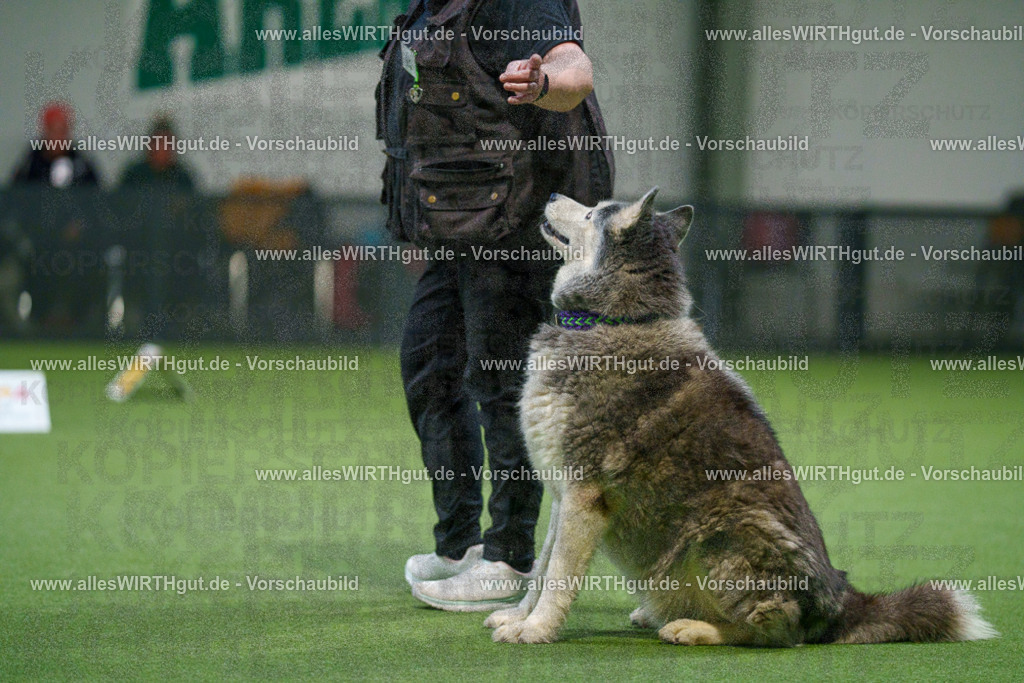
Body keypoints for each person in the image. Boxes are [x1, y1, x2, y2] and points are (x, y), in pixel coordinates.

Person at [376, 0, 614, 611]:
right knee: (428, 366)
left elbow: (573, 68)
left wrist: (541, 82)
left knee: (501, 383)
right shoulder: (425, 10)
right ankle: (459, 547)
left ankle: (510, 556)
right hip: (459, 227)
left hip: (517, 221)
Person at [10, 102, 99, 188]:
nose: (59, 137)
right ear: (45, 131)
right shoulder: (30, 164)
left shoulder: (80, 163)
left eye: (63, 130)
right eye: (54, 131)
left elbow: (95, 192)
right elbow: (15, 192)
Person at [119, 116, 195, 190]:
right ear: (149, 145)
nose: (162, 149)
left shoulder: (182, 178)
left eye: (167, 144)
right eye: (158, 143)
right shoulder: (134, 175)